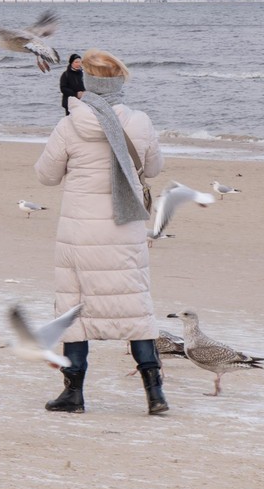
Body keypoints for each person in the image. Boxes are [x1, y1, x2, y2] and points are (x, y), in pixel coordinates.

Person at [34, 48, 167, 415]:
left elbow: (45, 175)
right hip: (125, 229)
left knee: (75, 310)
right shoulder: (139, 122)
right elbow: (154, 168)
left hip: (79, 233)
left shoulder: (70, 124)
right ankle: (155, 394)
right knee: (136, 310)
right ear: (118, 82)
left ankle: (73, 394)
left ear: (89, 83)